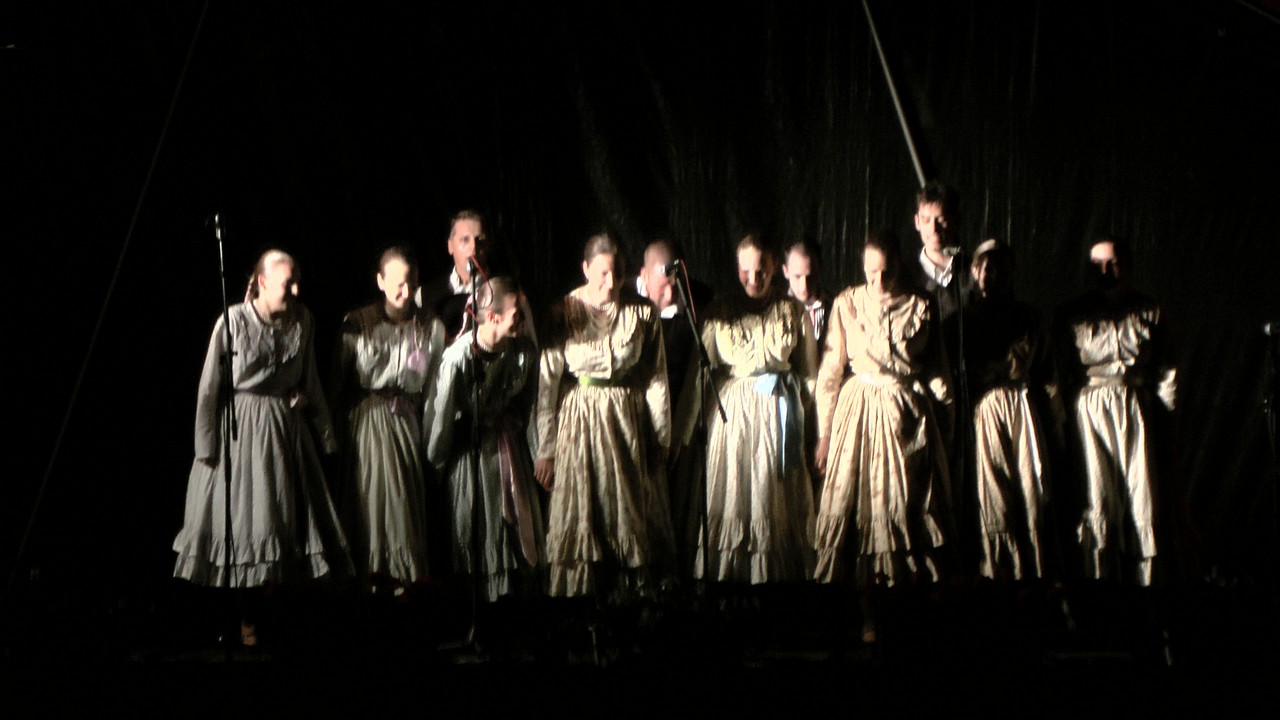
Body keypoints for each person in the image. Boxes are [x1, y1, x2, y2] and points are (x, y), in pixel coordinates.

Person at [173, 249, 352, 645]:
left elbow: (310, 379)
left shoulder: (303, 319)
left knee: (285, 523)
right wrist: (206, 447)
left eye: (297, 281)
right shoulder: (234, 320)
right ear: (262, 282)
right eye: (288, 282)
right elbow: (209, 388)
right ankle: (245, 619)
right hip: (241, 433)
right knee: (246, 523)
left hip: (284, 430)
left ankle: (279, 620)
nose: (296, 289)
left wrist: (325, 433)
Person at [534, 233, 674, 600]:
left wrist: (661, 435)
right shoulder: (564, 312)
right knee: (585, 508)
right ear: (585, 269)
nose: (610, 283)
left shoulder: (642, 312)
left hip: (627, 420)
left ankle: (631, 600)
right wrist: (545, 449)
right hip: (579, 421)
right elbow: (547, 386)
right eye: (602, 274)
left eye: (617, 274)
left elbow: (656, 377)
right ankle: (583, 606)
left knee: (627, 509)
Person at [813, 234, 952, 594]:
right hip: (857, 411)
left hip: (904, 410)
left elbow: (937, 370)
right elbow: (830, 373)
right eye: (870, 272)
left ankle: (904, 597)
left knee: (905, 503)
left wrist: (946, 422)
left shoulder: (921, 304)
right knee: (853, 504)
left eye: (885, 273)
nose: (877, 281)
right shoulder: (848, 303)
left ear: (898, 267)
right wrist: (825, 434)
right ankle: (858, 605)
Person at [675, 234, 817, 584]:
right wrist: (681, 433)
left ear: (775, 269)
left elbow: (809, 373)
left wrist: (807, 422)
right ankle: (731, 582)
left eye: (762, 270)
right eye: (747, 270)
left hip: (779, 415)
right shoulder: (719, 312)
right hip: (734, 419)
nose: (754, 278)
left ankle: (777, 584)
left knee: (774, 494)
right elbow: (698, 375)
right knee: (736, 493)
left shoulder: (792, 311)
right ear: (737, 269)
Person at [1057, 236, 1176, 586]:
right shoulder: (1072, 315)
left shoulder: (1149, 311)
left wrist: (1165, 418)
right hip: (1089, 413)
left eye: (1113, 264)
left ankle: (1148, 587)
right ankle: (1101, 588)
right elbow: (1059, 373)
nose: (1106, 272)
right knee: (1097, 496)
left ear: (1128, 266)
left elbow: (1166, 372)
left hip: (1137, 409)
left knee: (1143, 496)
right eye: (1098, 265)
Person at [332, 246, 445, 585]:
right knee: (370, 502)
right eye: (398, 284)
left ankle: (404, 586)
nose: (406, 292)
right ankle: (369, 582)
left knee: (402, 505)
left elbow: (434, 387)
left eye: (412, 283)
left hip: (406, 422)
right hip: (368, 422)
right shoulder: (358, 323)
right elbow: (337, 380)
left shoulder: (430, 326)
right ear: (381, 282)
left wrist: (431, 435)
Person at [428, 276, 543, 600]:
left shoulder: (523, 351)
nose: (523, 321)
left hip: (509, 449)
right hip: (473, 456)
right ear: (492, 317)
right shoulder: (459, 358)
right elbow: (442, 418)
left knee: (514, 526)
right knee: (479, 523)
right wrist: (435, 468)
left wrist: (539, 455)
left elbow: (531, 407)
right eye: (517, 314)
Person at [963, 239, 1062, 580]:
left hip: (1023, 409)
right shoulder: (963, 321)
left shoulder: (1028, 318)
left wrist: (1055, 425)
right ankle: (998, 572)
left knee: (1031, 490)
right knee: (993, 494)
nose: (993, 278)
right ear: (975, 272)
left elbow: (1047, 375)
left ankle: (1033, 574)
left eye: (1002, 272)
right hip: (985, 412)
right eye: (987, 270)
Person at [418, 209, 491, 341]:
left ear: (488, 245)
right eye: (465, 240)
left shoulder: (505, 292)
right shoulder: (424, 295)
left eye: (480, 240)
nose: (473, 247)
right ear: (450, 246)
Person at [781, 239, 830, 350]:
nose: (804, 286)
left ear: (820, 270)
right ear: (785, 271)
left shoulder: (836, 307)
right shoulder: (775, 310)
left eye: (810, 276)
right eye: (797, 277)